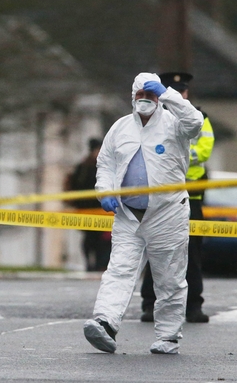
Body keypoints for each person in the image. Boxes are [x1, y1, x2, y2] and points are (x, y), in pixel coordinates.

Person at [83, 72, 203, 355]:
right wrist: (105, 191)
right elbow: (106, 164)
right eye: (141, 95)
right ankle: (105, 323)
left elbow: (195, 122)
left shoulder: (175, 124)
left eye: (151, 95)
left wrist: (168, 94)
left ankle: (168, 336)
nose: (146, 100)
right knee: (119, 269)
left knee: (169, 277)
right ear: (133, 97)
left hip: (167, 213)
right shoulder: (120, 128)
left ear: (159, 97)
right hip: (128, 214)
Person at [141, 72, 214, 324]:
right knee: (156, 250)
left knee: (191, 254)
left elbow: (203, 151)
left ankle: (193, 305)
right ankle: (150, 304)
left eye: (182, 91)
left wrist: (175, 155)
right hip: (161, 196)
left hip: (191, 196)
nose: (179, 95)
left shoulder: (199, 118)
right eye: (173, 90)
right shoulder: (154, 119)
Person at [65, 138, 111, 271]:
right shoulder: (84, 167)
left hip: (101, 210)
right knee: (90, 239)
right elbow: (76, 187)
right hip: (87, 210)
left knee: (102, 239)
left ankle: (99, 264)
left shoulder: (104, 166)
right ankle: (91, 264)